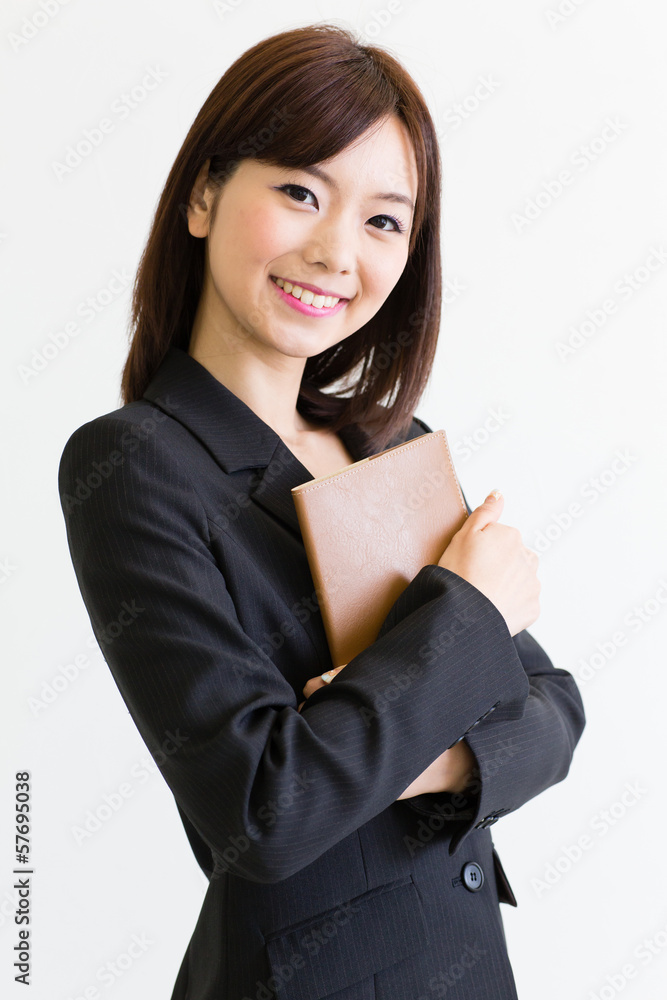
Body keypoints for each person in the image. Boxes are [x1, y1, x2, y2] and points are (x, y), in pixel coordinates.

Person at [58, 22, 586, 1000]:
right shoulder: (134, 463)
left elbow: (554, 712)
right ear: (206, 194)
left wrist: (403, 746)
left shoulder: (391, 440)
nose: (336, 250)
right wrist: (468, 612)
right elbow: (266, 807)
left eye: (384, 220)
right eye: (301, 191)